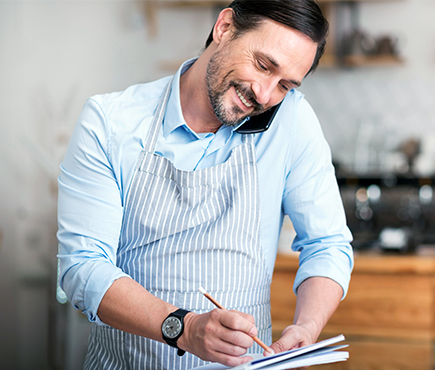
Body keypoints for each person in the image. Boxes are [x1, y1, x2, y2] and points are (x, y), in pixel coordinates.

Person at [57, 0, 354, 369]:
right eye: (263, 65)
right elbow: (82, 268)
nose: (264, 95)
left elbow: (327, 244)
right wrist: (185, 328)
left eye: (285, 85)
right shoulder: (109, 122)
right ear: (225, 27)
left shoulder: (291, 121)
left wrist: (306, 327)